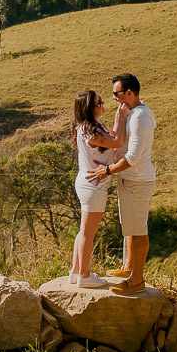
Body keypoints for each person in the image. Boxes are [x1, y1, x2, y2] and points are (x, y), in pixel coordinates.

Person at [86, 73, 156, 295]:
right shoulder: (133, 113)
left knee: (138, 230)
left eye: (116, 94)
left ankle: (137, 281)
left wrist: (106, 170)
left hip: (137, 180)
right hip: (130, 179)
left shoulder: (140, 118)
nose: (114, 98)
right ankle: (128, 269)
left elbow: (133, 157)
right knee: (130, 228)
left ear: (129, 93)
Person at [68, 89, 127, 287]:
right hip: (94, 185)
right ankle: (85, 276)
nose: (102, 105)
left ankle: (76, 271)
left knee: (83, 231)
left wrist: (118, 120)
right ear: (88, 108)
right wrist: (121, 115)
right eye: (98, 103)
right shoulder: (90, 130)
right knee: (88, 233)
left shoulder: (88, 127)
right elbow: (117, 141)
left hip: (88, 183)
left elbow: (114, 138)